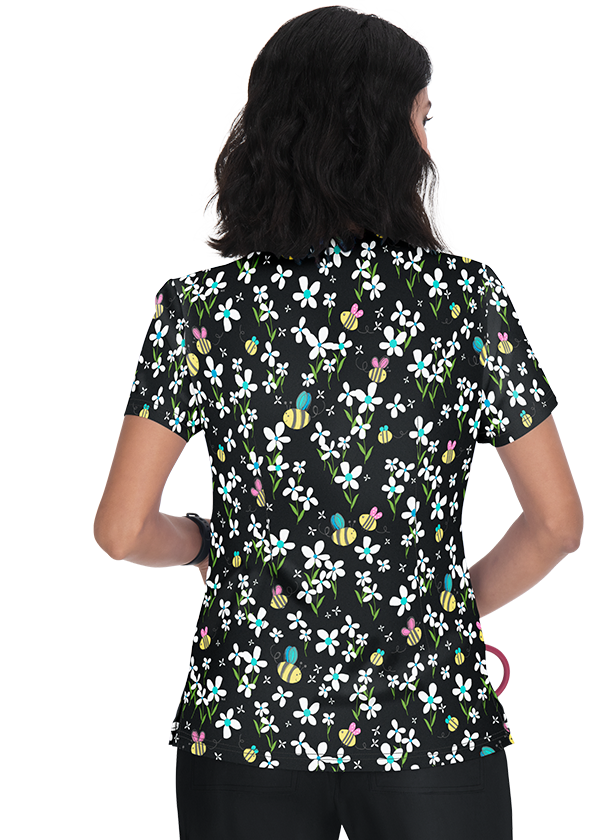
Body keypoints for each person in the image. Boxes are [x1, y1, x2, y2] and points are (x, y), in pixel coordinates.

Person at [94, 7, 583, 839]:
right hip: (430, 729)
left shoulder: (202, 311)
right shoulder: (460, 305)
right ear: (385, 139)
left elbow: (120, 529)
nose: (431, 146)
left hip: (246, 731)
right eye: (423, 119)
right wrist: (444, 621)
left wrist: (208, 541)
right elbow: (558, 524)